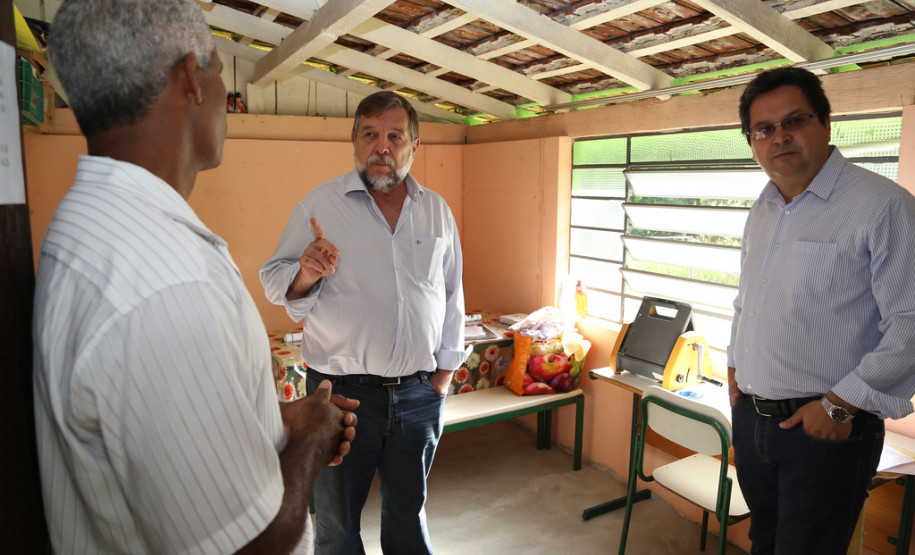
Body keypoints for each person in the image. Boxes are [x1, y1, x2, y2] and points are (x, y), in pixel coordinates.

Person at [33, 1, 358, 553]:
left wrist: (274, 418)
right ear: (191, 78)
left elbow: (152, 436)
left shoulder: (89, 228)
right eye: (218, 70)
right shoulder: (166, 284)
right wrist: (309, 439)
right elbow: (251, 544)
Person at [260, 91, 465, 554]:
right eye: (370, 134)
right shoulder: (322, 204)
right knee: (336, 527)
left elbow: (452, 295)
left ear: (415, 144)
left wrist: (443, 377)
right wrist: (306, 271)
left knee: (408, 517)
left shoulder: (436, 211)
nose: (382, 147)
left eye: (395, 136)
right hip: (339, 395)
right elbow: (275, 282)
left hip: (418, 395)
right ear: (353, 140)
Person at [727, 66, 915, 554]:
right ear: (752, 141)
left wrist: (839, 404)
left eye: (795, 120)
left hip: (827, 428)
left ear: (826, 123)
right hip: (753, 422)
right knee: (764, 542)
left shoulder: (882, 205)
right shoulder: (764, 207)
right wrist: (734, 367)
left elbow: (911, 323)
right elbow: (749, 297)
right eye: (763, 129)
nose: (779, 137)